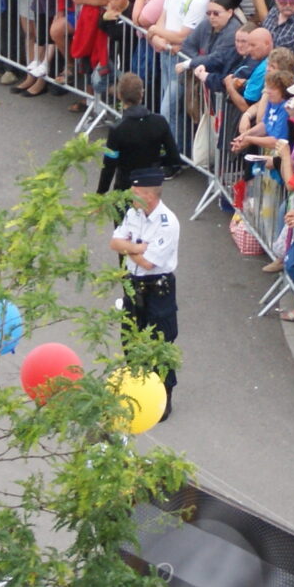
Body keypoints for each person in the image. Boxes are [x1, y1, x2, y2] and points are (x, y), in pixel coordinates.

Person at [111, 173, 181, 413]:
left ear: (149, 196)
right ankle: (137, 394)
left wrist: (129, 249)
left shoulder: (167, 223)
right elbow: (115, 243)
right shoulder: (134, 214)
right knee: (130, 340)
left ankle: (164, 398)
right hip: (134, 285)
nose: (131, 199)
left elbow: (149, 262)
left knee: (159, 345)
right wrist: (136, 248)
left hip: (158, 288)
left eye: (135, 194)